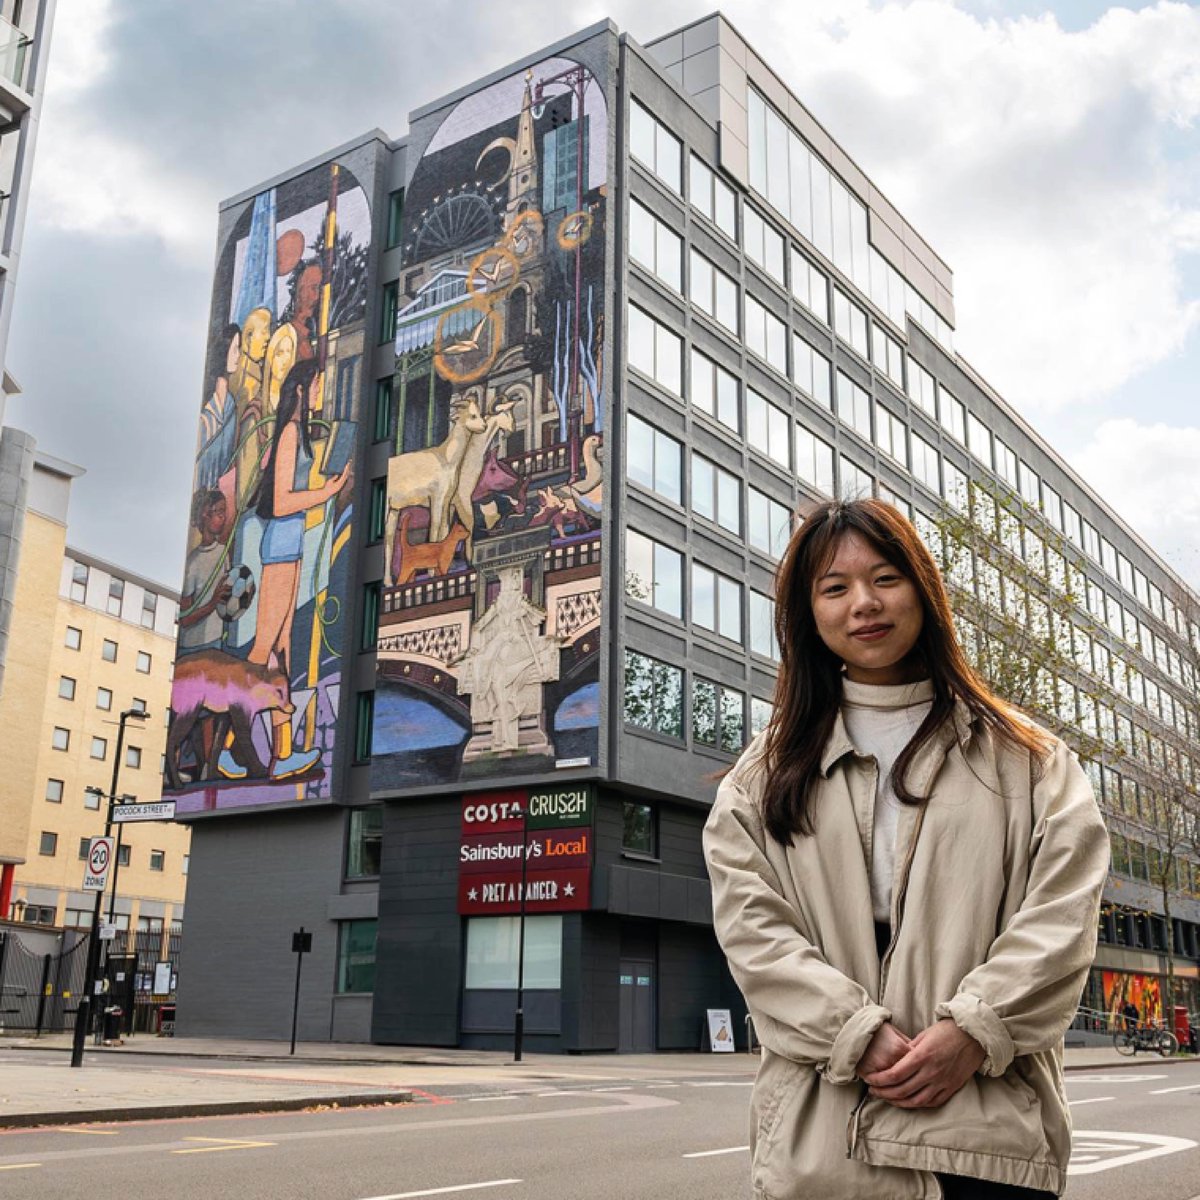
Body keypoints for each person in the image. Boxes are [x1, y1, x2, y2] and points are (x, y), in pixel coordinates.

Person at [704, 499, 1109, 1200]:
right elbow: (755, 936)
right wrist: (853, 1032)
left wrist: (977, 1028)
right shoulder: (760, 779)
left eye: (885, 577)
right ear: (809, 613)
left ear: (923, 589)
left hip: (988, 1145)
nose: (863, 603)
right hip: (828, 1146)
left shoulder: (1027, 758)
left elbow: (1063, 914)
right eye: (835, 587)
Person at [220, 358, 348, 783]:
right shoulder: (291, 433)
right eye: (315, 386)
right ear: (299, 389)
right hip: (278, 547)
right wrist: (326, 492)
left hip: (289, 547)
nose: (318, 394)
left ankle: (283, 752)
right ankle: (226, 746)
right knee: (262, 651)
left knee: (281, 654)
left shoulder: (295, 435)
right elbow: (279, 503)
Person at [178, 490, 233, 653]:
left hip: (217, 640)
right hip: (192, 646)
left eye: (225, 512)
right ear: (205, 514)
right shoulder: (192, 563)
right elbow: (185, 619)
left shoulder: (223, 552)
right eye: (219, 512)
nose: (223, 517)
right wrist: (213, 603)